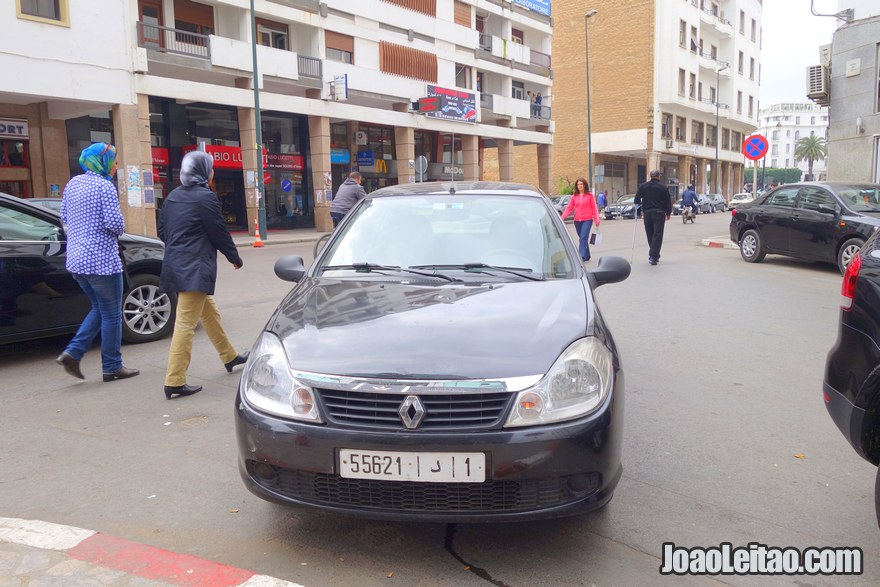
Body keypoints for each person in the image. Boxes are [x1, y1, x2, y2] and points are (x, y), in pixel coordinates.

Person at [158, 151, 248, 400]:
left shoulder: (173, 196)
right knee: (185, 324)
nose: (213, 173)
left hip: (177, 264)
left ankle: (229, 356)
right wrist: (234, 258)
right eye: (211, 169)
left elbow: (162, 230)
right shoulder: (205, 198)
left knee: (210, 313)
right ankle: (174, 381)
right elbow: (218, 231)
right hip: (194, 268)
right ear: (203, 172)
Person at [55, 143, 140, 383]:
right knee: (112, 314)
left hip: (76, 260)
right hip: (101, 260)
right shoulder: (104, 186)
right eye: (113, 161)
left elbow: (64, 216)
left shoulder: (73, 184)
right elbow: (115, 224)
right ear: (102, 162)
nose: (115, 166)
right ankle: (112, 366)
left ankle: (73, 353)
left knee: (99, 308)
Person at [634, 170, 673, 266]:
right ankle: (653, 256)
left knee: (650, 234)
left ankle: (654, 254)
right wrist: (668, 213)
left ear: (650, 176)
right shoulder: (663, 187)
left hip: (647, 213)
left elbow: (637, 199)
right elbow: (668, 201)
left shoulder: (643, 186)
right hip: (659, 213)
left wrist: (638, 212)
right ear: (659, 176)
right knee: (657, 235)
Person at [561, 177, 601, 262]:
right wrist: (561, 218)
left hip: (587, 220)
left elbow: (594, 208)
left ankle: (581, 256)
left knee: (583, 237)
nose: (580, 186)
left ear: (584, 185)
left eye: (581, 184)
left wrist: (597, 219)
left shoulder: (590, 196)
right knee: (583, 238)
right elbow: (569, 208)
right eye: (578, 184)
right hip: (577, 221)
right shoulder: (574, 196)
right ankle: (587, 255)